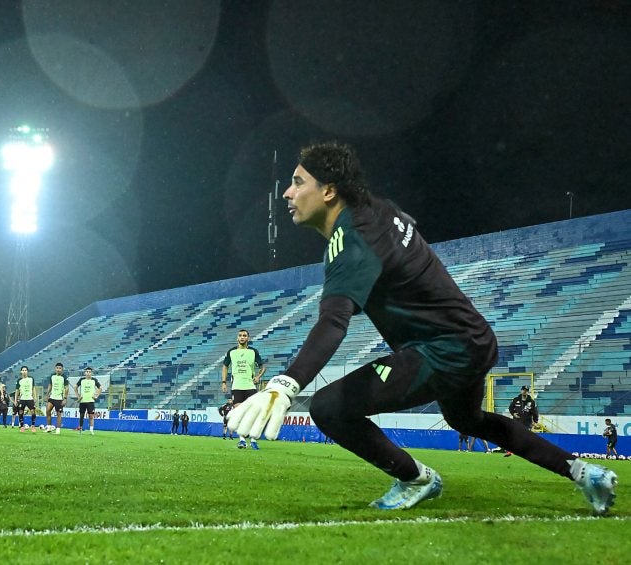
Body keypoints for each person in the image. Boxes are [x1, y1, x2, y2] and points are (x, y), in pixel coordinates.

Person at [228, 141, 618, 515]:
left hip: (443, 350)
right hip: (475, 340)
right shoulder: (378, 210)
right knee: (468, 421)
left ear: (329, 191)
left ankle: (416, 479)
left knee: (329, 408)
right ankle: (586, 473)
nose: (286, 193)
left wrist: (286, 383)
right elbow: (399, 260)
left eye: (298, 182)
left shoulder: (351, 240)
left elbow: (333, 322)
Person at [221, 329, 266, 450]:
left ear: (248, 338)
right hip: (237, 387)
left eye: (244, 336)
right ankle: (242, 440)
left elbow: (262, 366)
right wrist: (224, 382)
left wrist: (258, 376)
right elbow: (225, 366)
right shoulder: (232, 352)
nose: (242, 337)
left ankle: (253, 440)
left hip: (250, 386)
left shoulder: (253, 351)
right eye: (240, 335)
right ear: (237, 338)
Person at [76, 367, 101, 435]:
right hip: (82, 401)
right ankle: (80, 429)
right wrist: (78, 396)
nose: (88, 373)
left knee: (91, 416)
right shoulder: (81, 380)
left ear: (91, 373)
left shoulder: (94, 380)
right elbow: (75, 387)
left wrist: (96, 396)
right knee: (81, 415)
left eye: (89, 372)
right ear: (85, 373)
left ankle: (91, 430)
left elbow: (100, 388)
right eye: (87, 371)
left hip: (90, 401)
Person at [44, 362, 68, 434]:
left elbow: (66, 388)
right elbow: (50, 385)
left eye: (60, 368)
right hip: (52, 397)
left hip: (59, 398)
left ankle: (58, 429)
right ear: (55, 369)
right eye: (57, 368)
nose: (58, 369)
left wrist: (65, 398)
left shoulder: (64, 377)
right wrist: (47, 394)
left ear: (62, 369)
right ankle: (49, 427)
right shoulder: (52, 376)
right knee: (48, 410)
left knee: (59, 414)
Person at [15, 366, 37, 431]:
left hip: (30, 398)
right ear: (21, 371)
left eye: (25, 370)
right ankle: (22, 426)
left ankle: (33, 425)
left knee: (33, 412)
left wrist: (35, 397)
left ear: (27, 371)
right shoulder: (19, 380)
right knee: (21, 412)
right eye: (23, 370)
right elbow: (17, 391)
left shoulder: (31, 379)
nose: (24, 371)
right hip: (22, 399)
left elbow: (33, 388)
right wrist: (16, 400)